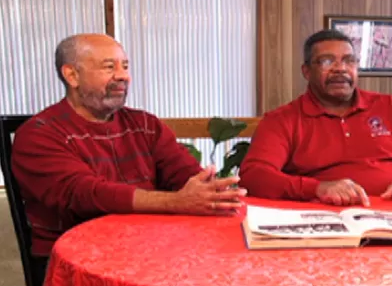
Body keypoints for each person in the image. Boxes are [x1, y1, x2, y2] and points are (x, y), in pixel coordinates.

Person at [11, 33, 246, 261]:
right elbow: (84, 194)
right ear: (72, 75)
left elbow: (185, 174)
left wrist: (206, 190)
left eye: (125, 66)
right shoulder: (38, 134)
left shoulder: (145, 124)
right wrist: (175, 202)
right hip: (77, 257)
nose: (123, 76)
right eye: (109, 67)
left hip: (151, 245)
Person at [239, 29, 392, 206]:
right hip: (321, 219)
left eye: (349, 60)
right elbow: (255, 175)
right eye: (327, 61)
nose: (340, 68)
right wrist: (317, 189)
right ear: (307, 71)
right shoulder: (282, 120)